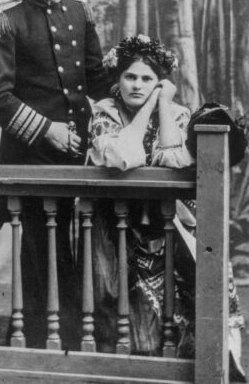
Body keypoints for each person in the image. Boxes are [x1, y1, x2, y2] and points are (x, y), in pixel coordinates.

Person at [0, 0, 110, 347]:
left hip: (85, 151)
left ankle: (87, 335)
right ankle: (39, 339)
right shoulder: (4, 16)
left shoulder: (78, 10)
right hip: (31, 151)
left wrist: (146, 83)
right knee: (40, 245)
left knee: (88, 238)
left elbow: (96, 79)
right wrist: (46, 130)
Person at [87, 36, 246, 377]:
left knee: (183, 303)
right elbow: (122, 156)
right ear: (118, 78)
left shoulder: (176, 114)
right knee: (122, 311)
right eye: (131, 77)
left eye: (147, 79)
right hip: (117, 223)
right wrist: (150, 106)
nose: (137, 85)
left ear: (159, 82)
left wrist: (163, 105)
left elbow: (174, 159)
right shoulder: (103, 113)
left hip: (169, 221)